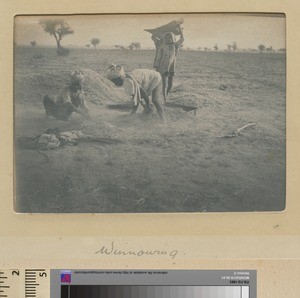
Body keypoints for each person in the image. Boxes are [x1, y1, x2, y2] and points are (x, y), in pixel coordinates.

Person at [153, 27, 184, 102]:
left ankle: (165, 95)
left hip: (172, 67)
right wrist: (157, 67)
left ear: (173, 38)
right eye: (167, 37)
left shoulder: (175, 45)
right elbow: (159, 57)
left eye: (170, 37)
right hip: (163, 66)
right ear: (164, 38)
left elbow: (182, 39)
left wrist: (180, 30)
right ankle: (164, 99)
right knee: (164, 84)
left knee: (170, 84)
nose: (168, 39)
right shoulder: (162, 47)